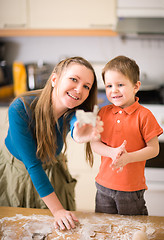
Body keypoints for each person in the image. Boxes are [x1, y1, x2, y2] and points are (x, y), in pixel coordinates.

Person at [0, 56, 103, 230]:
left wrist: (78, 133)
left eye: (86, 86)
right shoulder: (20, 108)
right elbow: (32, 165)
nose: (79, 90)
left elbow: (75, 127)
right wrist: (58, 210)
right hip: (16, 173)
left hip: (52, 170)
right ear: (54, 79)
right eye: (74, 80)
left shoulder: (72, 112)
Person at [91, 55, 163, 216]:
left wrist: (128, 157)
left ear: (136, 86)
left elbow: (154, 149)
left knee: (133, 230)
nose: (114, 90)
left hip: (131, 190)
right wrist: (113, 152)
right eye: (109, 85)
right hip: (103, 186)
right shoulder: (102, 113)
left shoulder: (144, 115)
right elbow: (94, 144)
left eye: (120, 84)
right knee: (104, 228)